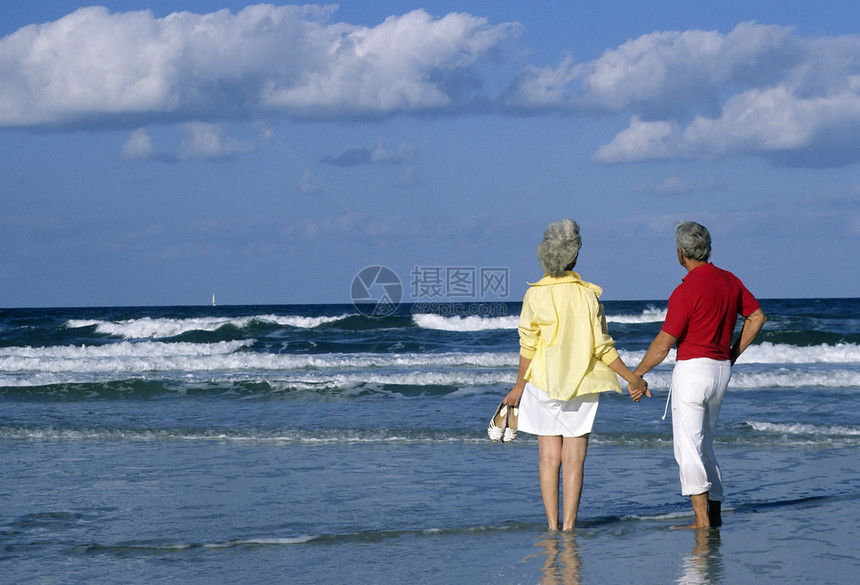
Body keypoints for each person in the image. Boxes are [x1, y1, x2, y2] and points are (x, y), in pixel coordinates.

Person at [502, 219, 647, 531]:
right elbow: (602, 347)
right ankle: (569, 527)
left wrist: (518, 388)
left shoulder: (534, 296)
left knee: (548, 458)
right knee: (574, 460)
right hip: (582, 385)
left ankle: (552, 527)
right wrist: (631, 377)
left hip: (542, 382)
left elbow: (528, 345)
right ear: (575, 255)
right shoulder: (587, 296)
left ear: (544, 254)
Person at [633, 221, 767, 529]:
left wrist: (637, 374)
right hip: (721, 371)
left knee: (688, 448)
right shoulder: (731, 281)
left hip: (693, 370)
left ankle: (701, 522)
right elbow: (757, 317)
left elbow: (663, 344)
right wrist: (732, 353)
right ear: (707, 249)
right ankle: (714, 516)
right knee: (705, 444)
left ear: (680, 253)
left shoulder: (685, 290)